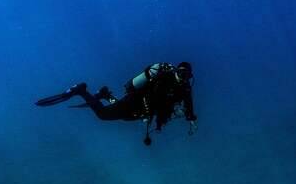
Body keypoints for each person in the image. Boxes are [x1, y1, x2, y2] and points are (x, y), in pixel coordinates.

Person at [36, 61, 197, 146]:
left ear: (190, 76)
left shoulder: (184, 88)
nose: (183, 77)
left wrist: (191, 119)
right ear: (176, 71)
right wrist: (151, 115)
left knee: (124, 117)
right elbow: (153, 96)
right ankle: (81, 90)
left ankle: (106, 95)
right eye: (181, 73)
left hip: (139, 111)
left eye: (187, 75)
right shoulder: (164, 78)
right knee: (103, 115)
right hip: (134, 103)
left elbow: (188, 104)